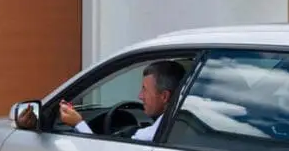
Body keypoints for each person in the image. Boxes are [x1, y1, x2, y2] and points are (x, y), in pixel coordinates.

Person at [16, 60, 186, 142]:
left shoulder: (150, 135)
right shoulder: (183, 125)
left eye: (144, 90)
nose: (139, 97)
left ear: (164, 97)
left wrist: (78, 123)